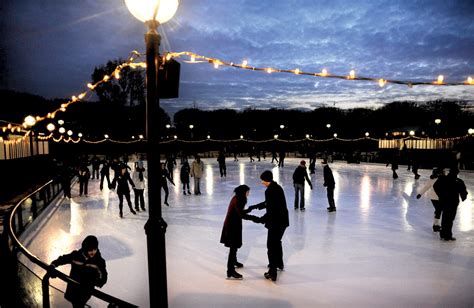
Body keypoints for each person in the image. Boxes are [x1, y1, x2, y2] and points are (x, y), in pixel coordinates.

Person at [248, 170, 289, 281]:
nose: (262, 182)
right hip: (283, 221)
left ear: (266, 180)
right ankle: (279, 264)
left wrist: (261, 219)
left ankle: (272, 272)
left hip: (276, 222)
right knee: (277, 243)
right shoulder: (277, 187)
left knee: (271, 247)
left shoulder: (269, 191)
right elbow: (269, 203)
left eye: (263, 180)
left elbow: (271, 210)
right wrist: (256, 206)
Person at [49, 235, 107, 308]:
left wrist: (96, 283)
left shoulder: (99, 262)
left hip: (85, 292)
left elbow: (104, 276)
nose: (93, 252)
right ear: (85, 248)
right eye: (90, 249)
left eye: (95, 249)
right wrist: (53, 265)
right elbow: (63, 259)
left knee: (79, 304)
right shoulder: (75, 255)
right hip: (72, 289)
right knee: (76, 304)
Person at [220, 185, 259, 279]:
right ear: (243, 192)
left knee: (235, 245)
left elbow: (239, 212)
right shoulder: (238, 200)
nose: (248, 194)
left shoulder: (237, 198)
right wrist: (254, 218)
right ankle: (230, 271)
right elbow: (241, 214)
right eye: (247, 192)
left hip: (234, 224)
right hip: (231, 226)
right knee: (233, 248)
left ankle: (234, 262)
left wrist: (249, 210)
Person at [433, 168, 468, 241]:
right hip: (453, 203)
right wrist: (463, 197)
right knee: (450, 219)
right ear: (457, 173)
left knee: (445, 217)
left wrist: (440, 195)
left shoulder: (443, 179)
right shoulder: (458, 181)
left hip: (444, 201)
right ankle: (447, 236)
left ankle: (443, 234)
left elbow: (435, 186)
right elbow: (463, 191)